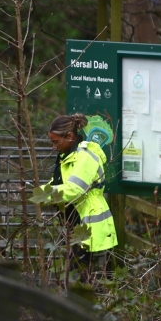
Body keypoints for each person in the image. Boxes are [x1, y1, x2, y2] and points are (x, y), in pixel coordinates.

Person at [45, 113, 117, 281]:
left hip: (88, 222)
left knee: (83, 276)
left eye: (56, 142)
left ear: (70, 136)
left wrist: (43, 194)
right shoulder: (68, 155)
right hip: (74, 220)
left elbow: (75, 189)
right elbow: (59, 181)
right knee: (76, 274)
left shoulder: (84, 156)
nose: (53, 147)